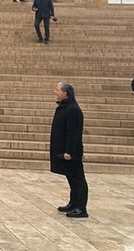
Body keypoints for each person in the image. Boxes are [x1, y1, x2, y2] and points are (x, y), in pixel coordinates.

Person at [50, 82, 89, 218]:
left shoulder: (73, 109)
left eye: (57, 90)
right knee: (71, 178)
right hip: (64, 150)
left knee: (78, 178)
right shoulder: (65, 107)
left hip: (72, 152)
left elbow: (74, 133)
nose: (55, 92)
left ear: (65, 93)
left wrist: (70, 151)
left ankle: (81, 207)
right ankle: (73, 203)